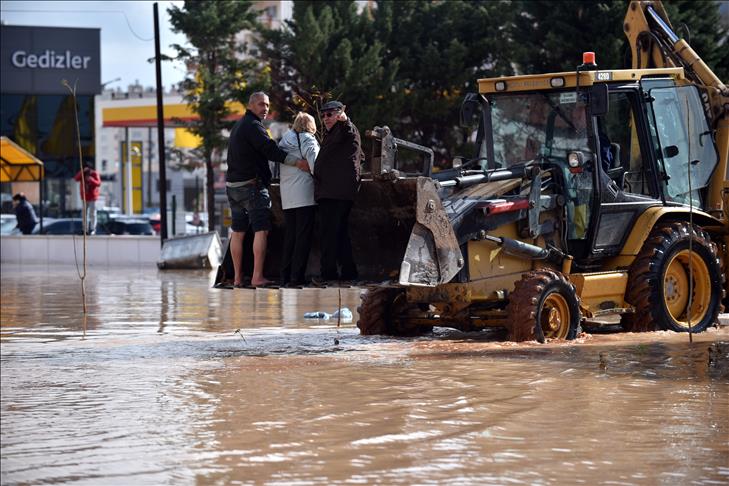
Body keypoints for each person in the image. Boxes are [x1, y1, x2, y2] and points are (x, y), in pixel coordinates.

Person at [226, 91, 309, 288]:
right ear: (251, 105)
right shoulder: (253, 126)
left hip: (232, 187)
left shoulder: (238, 126)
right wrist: (298, 162)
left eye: (267, 105)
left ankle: (237, 278)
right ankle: (257, 277)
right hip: (252, 185)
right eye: (262, 105)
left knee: (237, 232)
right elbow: (271, 150)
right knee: (261, 230)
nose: (266, 109)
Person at [313, 100, 362, 283]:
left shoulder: (345, 128)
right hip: (332, 191)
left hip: (335, 192)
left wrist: (345, 118)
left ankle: (328, 274)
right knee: (338, 235)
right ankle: (348, 272)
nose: (325, 118)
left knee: (330, 235)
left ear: (340, 113)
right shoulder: (332, 133)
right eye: (323, 115)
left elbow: (349, 130)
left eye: (330, 114)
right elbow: (359, 156)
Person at [278, 112, 320, 287]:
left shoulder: (284, 141)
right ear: (311, 126)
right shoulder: (308, 140)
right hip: (305, 195)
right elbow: (316, 166)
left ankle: (285, 276)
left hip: (287, 196)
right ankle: (297, 278)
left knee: (290, 238)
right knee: (302, 238)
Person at [74, 164, 101, 234]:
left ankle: (92, 228)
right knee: (84, 214)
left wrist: (91, 180)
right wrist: (82, 172)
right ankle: (84, 229)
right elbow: (76, 178)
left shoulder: (94, 174)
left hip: (92, 197)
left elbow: (98, 183)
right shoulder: (83, 174)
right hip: (85, 197)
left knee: (92, 213)